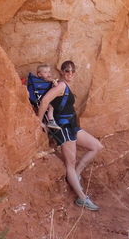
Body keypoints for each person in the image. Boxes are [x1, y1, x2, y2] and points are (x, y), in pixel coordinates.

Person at [36, 61, 104, 211]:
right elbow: (45, 101)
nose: (70, 74)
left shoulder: (64, 85)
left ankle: (76, 174)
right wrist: (38, 122)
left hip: (72, 126)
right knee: (70, 163)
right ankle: (82, 198)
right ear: (62, 72)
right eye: (67, 71)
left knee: (97, 146)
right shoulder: (61, 86)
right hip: (63, 128)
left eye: (72, 71)